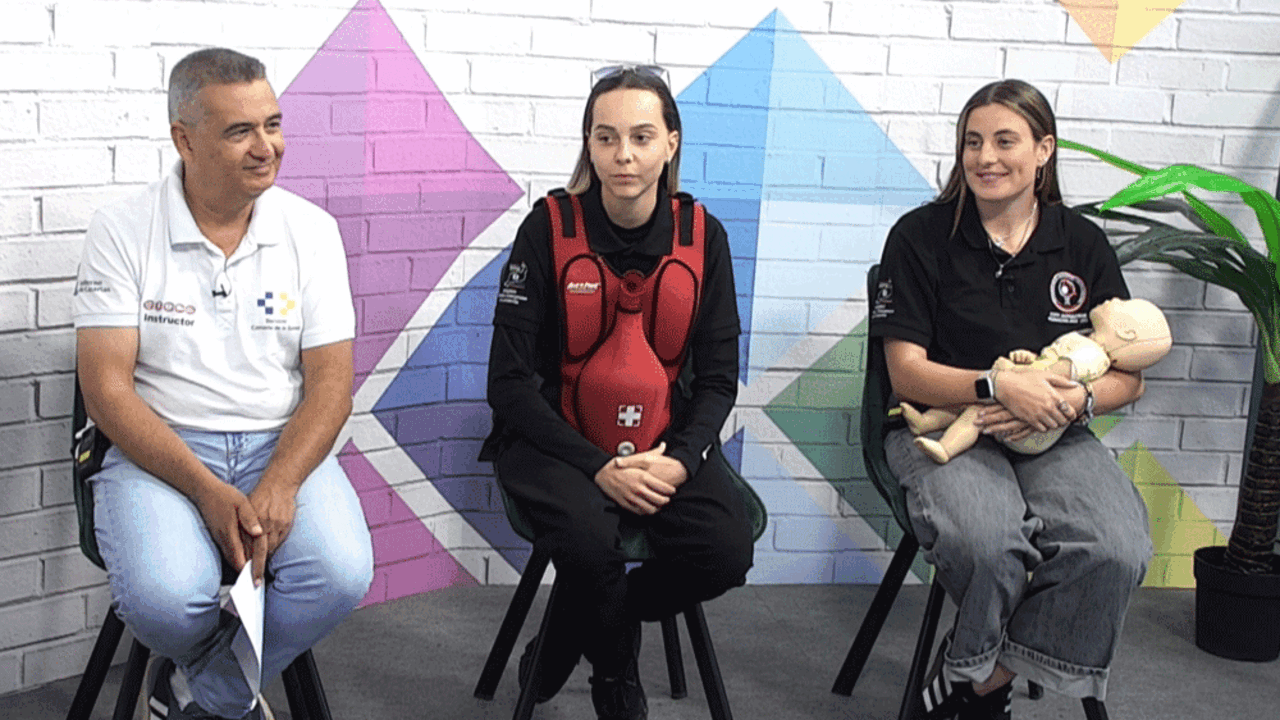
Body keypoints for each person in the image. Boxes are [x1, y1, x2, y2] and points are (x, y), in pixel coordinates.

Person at [73, 48, 372, 720]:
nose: (266, 147)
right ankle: (229, 679)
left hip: (280, 444)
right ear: (185, 138)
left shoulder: (312, 232)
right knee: (163, 599)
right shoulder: (121, 230)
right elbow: (107, 392)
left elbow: (331, 385)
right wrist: (208, 490)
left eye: (273, 124)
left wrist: (283, 482)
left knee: (340, 576)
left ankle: (196, 692)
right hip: (162, 452)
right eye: (240, 131)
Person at [868, 79, 1153, 720]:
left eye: (1005, 141)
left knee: (1118, 546)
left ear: (1044, 150)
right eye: (973, 142)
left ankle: (979, 675)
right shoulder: (918, 236)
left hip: (1055, 430)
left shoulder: (1081, 243)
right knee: (990, 542)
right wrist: (999, 385)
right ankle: (983, 681)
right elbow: (906, 374)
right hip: (944, 430)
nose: (986, 158)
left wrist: (1073, 404)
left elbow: (1129, 376)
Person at [480, 65, 754, 720]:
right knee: (589, 543)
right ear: (589, 144)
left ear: (671, 143)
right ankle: (614, 678)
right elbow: (508, 383)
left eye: (640, 136)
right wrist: (598, 467)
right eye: (606, 138)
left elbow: (717, 379)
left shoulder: (702, 236)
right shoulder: (545, 229)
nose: (623, 155)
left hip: (662, 438)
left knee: (725, 549)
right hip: (555, 441)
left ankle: (572, 638)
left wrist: (679, 459)